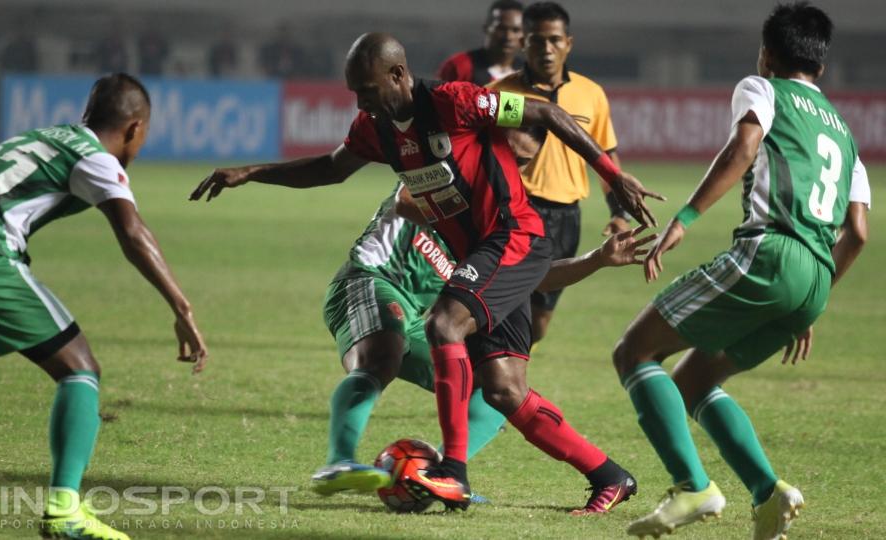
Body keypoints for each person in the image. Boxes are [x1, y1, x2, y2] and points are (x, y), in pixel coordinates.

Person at [191, 32, 662, 511]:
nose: (361, 102)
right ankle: (610, 475)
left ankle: (452, 471)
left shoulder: (454, 102)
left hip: (513, 235)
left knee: (443, 323)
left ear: (398, 74)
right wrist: (252, 172)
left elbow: (546, 112)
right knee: (503, 390)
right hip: (489, 257)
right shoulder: (376, 128)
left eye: (367, 91)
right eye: (355, 92)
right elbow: (331, 168)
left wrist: (612, 174)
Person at [610, 4, 869, 539]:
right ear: (819, 65)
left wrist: (684, 217)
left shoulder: (763, 88)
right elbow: (859, 232)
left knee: (635, 351)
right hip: (816, 279)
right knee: (696, 379)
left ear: (767, 53)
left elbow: (744, 145)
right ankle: (768, 492)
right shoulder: (846, 135)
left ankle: (692, 487)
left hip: (770, 253)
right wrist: (808, 299)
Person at [0, 73, 208, 540]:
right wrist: (182, 307)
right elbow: (133, 232)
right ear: (135, 128)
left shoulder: (42, 137)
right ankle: (64, 511)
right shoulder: (95, 157)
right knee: (80, 369)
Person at [310, 184, 655, 515]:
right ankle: (339, 460)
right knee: (381, 357)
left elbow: (535, 276)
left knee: (491, 389)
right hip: (370, 281)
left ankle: (445, 475)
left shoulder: (494, 229)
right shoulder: (446, 180)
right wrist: (472, 229)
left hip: (416, 319)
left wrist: (596, 259)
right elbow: (404, 198)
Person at [489, 2, 632, 344]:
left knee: (538, 325)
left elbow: (606, 158)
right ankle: (490, 378)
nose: (546, 49)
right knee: (509, 310)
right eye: (537, 41)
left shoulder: (590, 94)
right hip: (518, 211)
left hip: (567, 218)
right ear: (524, 43)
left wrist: (619, 213)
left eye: (554, 40)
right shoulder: (502, 94)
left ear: (569, 42)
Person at [438, 0, 525, 86]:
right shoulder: (459, 66)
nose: (508, 37)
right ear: (486, 28)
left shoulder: (527, 74)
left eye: (516, 30)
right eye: (501, 29)